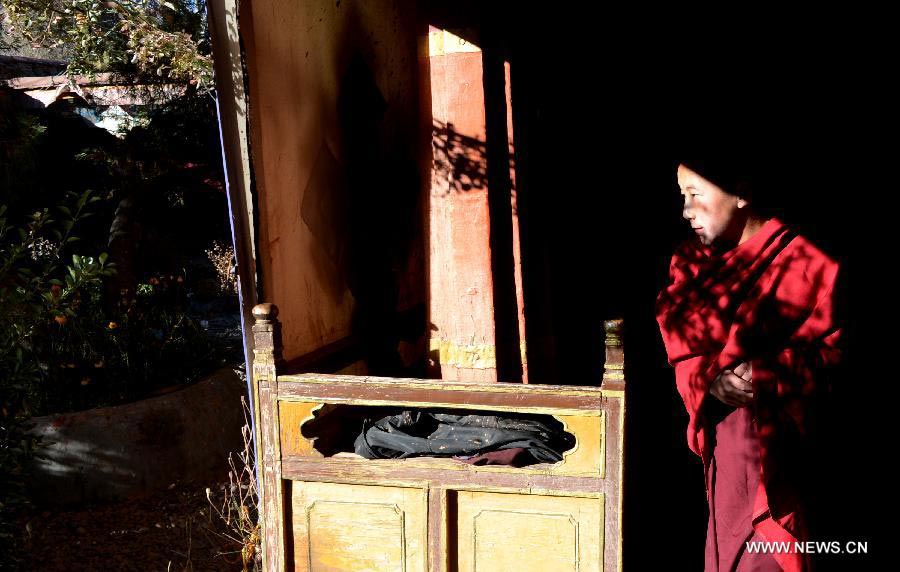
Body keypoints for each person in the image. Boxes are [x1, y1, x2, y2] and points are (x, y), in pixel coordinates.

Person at [655, 160, 843, 572]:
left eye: (696, 195)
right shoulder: (689, 264)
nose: (686, 210)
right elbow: (683, 346)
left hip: (791, 458)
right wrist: (710, 380)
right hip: (728, 453)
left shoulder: (808, 260)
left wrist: (771, 373)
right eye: (681, 196)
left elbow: (836, 350)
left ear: (740, 193)